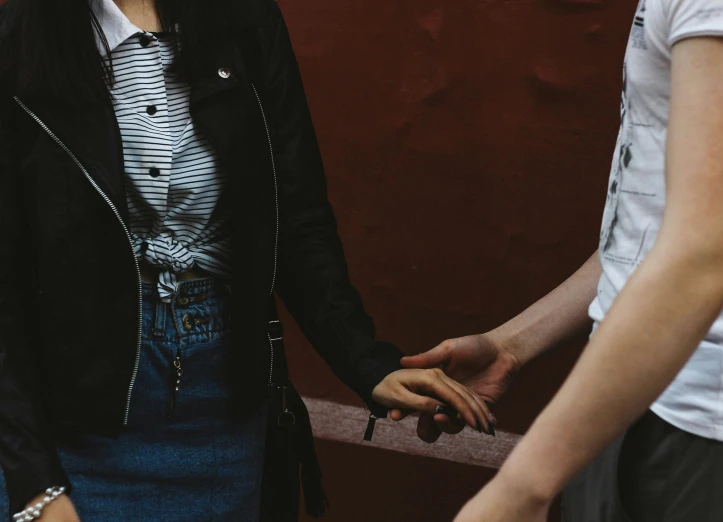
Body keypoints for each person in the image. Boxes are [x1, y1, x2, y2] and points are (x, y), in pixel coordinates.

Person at [0, 0, 496, 521]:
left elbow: (296, 215)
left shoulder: (244, 18)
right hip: (71, 419)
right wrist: (37, 486)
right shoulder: (18, 40)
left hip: (221, 407)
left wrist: (367, 362)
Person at [401, 0, 723, 520]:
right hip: (633, 398)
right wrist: (511, 346)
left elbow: (702, 258)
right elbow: (654, 235)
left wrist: (521, 490)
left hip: (713, 424)